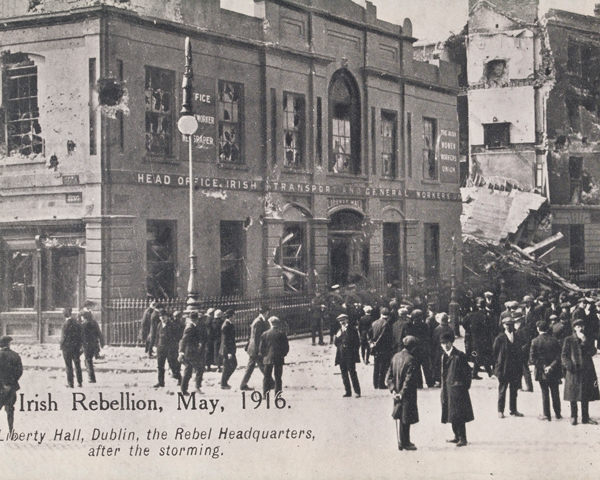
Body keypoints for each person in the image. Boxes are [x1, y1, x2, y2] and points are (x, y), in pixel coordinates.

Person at [562, 318, 600, 425]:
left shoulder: (586, 338)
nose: (580, 328)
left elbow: (593, 351)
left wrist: (585, 341)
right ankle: (573, 416)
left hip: (586, 371)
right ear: (574, 328)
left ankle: (585, 417)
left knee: (585, 394)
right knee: (573, 395)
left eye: (582, 326)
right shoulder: (568, 339)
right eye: (578, 326)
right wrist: (570, 367)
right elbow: (564, 355)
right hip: (573, 371)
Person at [386, 336, 420, 451]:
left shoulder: (395, 356)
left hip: (397, 393)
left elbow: (388, 376)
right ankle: (405, 442)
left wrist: (393, 390)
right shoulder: (411, 359)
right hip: (407, 394)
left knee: (400, 416)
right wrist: (402, 392)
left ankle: (402, 441)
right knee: (406, 417)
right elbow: (408, 380)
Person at [440, 332, 474, 447]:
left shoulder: (459, 355)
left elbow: (468, 373)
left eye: (447, 343)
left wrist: (463, 387)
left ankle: (462, 438)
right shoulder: (443, 356)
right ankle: (456, 436)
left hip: (458, 390)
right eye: (442, 343)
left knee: (459, 414)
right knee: (451, 414)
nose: (445, 345)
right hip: (447, 389)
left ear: (451, 342)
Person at [529, 321, 562, 421]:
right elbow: (558, 356)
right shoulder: (555, 340)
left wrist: (543, 366)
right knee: (555, 392)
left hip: (541, 371)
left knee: (544, 392)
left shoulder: (535, 341)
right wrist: (551, 366)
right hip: (554, 370)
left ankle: (547, 415)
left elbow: (532, 359)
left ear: (538, 329)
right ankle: (558, 414)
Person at [493, 314, 524, 418]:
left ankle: (513, 409)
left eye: (511, 324)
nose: (509, 327)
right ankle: (500, 410)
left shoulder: (518, 336)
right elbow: (494, 354)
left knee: (514, 390)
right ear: (503, 325)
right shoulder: (499, 338)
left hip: (515, 368)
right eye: (507, 325)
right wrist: (497, 368)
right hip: (503, 368)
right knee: (502, 390)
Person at [240, 305, 270, 391]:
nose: (268, 313)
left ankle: (243, 384)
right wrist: (260, 350)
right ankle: (271, 382)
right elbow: (257, 338)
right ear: (265, 312)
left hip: (254, 349)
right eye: (268, 312)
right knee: (260, 366)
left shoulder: (260, 321)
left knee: (256, 366)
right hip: (255, 349)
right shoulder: (258, 322)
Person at [178, 307, 207, 395]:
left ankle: (185, 389)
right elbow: (184, 340)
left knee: (189, 370)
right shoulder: (190, 328)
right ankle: (195, 387)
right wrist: (181, 352)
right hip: (190, 352)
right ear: (196, 319)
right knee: (198, 368)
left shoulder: (192, 326)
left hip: (191, 352)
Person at [151, 308, 182, 388]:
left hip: (170, 348)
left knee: (172, 365)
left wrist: (175, 347)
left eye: (164, 317)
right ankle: (161, 382)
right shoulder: (159, 325)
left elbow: (177, 337)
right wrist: (155, 346)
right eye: (161, 317)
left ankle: (179, 378)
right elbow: (157, 336)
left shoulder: (172, 325)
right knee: (160, 366)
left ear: (167, 317)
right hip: (161, 348)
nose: (162, 319)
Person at [259, 316, 290, 395]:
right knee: (278, 377)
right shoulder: (281, 334)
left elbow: (261, 348)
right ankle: (277, 394)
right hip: (278, 358)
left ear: (270, 323)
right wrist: (283, 354)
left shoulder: (265, 334)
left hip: (268, 358)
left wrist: (265, 355)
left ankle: (265, 394)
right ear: (277, 324)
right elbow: (286, 347)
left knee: (266, 377)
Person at [334, 314, 361, 398]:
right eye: (340, 321)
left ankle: (357, 391)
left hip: (350, 355)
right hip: (341, 355)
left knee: (352, 373)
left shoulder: (352, 330)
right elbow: (336, 344)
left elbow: (357, 343)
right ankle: (348, 391)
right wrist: (337, 337)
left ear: (347, 320)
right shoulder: (339, 330)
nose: (342, 322)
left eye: (343, 320)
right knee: (344, 373)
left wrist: (353, 351)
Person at [0, 336, 23, 433]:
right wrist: (11, 383)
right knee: (10, 409)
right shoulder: (15, 355)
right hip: (11, 387)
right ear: (9, 344)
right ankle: (11, 429)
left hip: (0, 387)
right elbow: (19, 371)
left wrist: (3, 384)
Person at [368, 307, 394, 389]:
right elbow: (383, 336)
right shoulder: (386, 324)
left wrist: (371, 343)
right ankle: (381, 383)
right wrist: (377, 343)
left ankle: (375, 383)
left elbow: (369, 334)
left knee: (376, 366)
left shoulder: (374, 323)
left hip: (375, 348)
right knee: (383, 366)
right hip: (384, 347)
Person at [60, 307, 83, 388]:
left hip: (67, 348)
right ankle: (80, 382)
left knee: (68, 365)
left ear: (64, 315)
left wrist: (61, 346)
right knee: (77, 364)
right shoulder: (76, 323)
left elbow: (63, 338)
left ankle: (70, 383)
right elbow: (81, 335)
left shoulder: (65, 325)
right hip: (76, 347)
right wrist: (80, 345)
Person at [81, 310, 104, 383]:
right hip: (94, 344)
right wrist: (102, 343)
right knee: (88, 360)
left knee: (88, 360)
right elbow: (99, 334)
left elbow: (80, 336)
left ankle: (91, 378)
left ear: (84, 317)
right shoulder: (94, 323)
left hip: (86, 345)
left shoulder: (83, 324)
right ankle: (90, 376)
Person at [219, 309, 237, 389]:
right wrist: (229, 352)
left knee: (230, 365)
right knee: (228, 366)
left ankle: (224, 381)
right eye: (234, 315)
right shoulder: (226, 325)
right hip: (227, 350)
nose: (235, 317)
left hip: (230, 349)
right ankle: (223, 383)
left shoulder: (229, 324)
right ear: (231, 316)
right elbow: (225, 340)